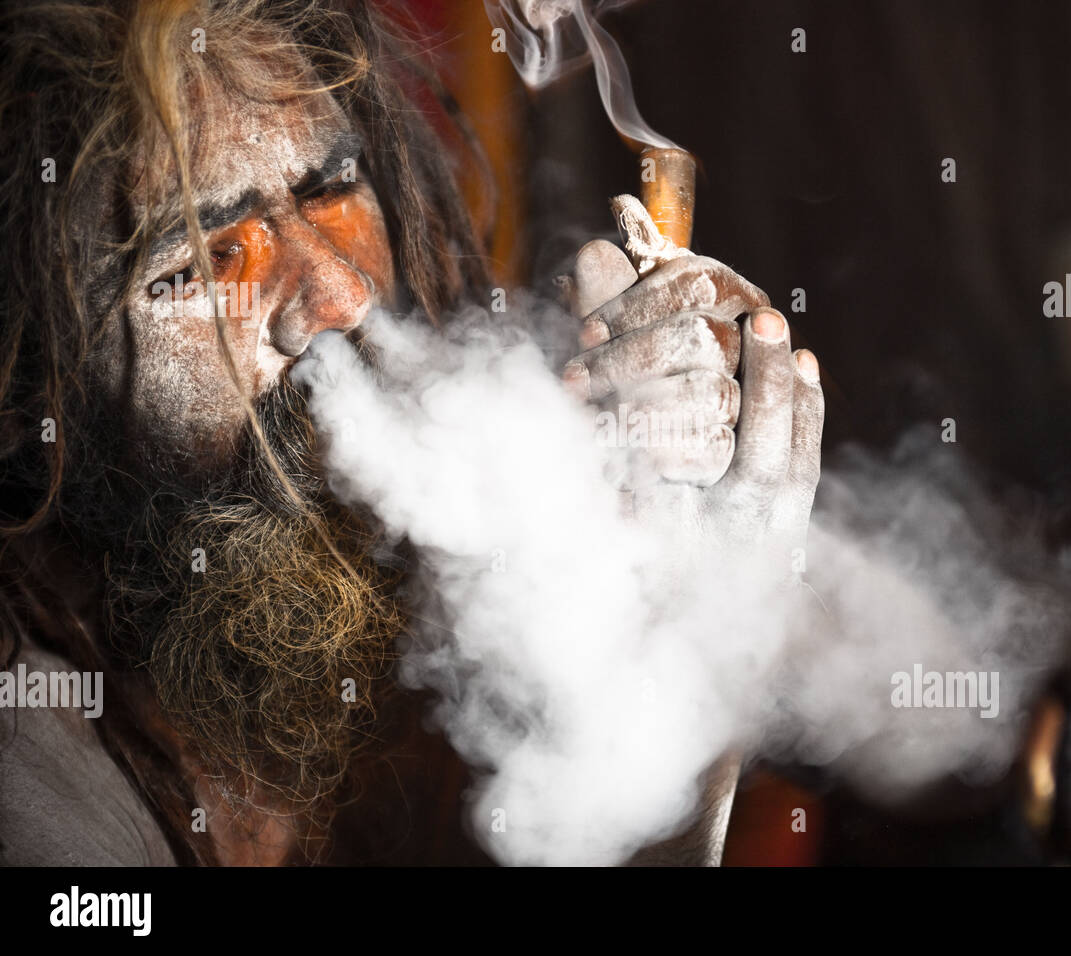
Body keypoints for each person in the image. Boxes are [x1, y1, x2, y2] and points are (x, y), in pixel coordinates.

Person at [0, 0, 823, 865]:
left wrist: (682, 629)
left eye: (329, 191)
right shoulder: (35, 794)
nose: (341, 301)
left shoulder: (423, 606)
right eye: (199, 265)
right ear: (25, 387)